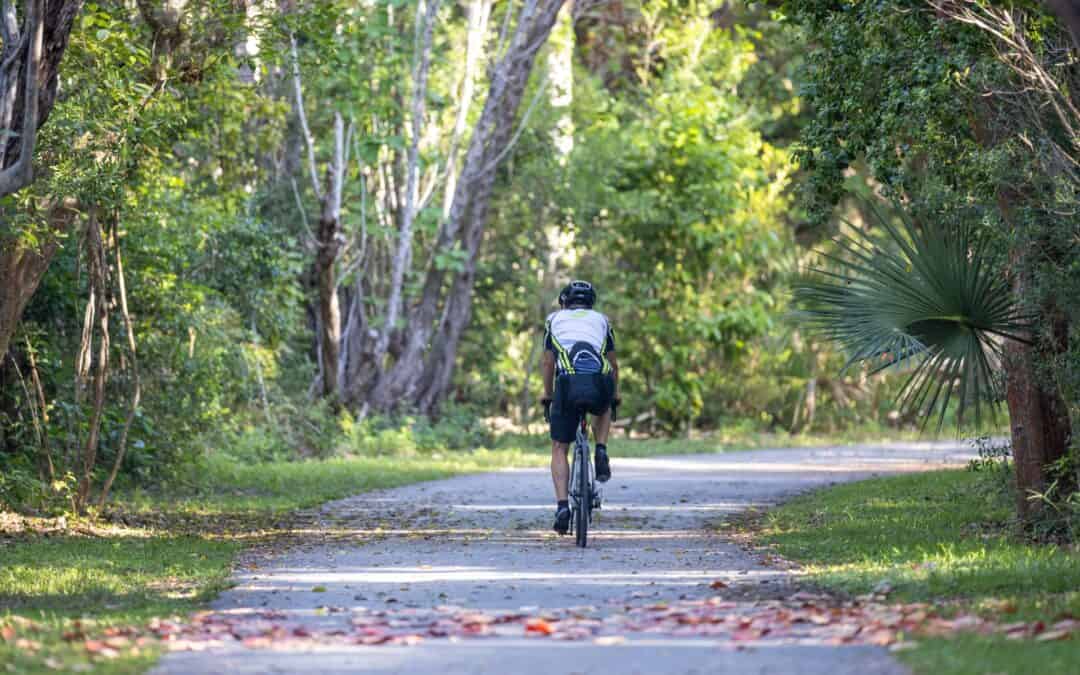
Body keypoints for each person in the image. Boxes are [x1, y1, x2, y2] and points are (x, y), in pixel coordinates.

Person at [541, 280, 619, 535]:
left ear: (564, 302)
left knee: (559, 447)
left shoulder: (554, 320)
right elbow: (613, 363)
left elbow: (548, 362)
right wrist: (615, 394)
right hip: (599, 380)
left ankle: (562, 506)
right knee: (606, 403)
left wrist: (548, 395)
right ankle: (602, 449)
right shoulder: (602, 320)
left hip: (567, 382)